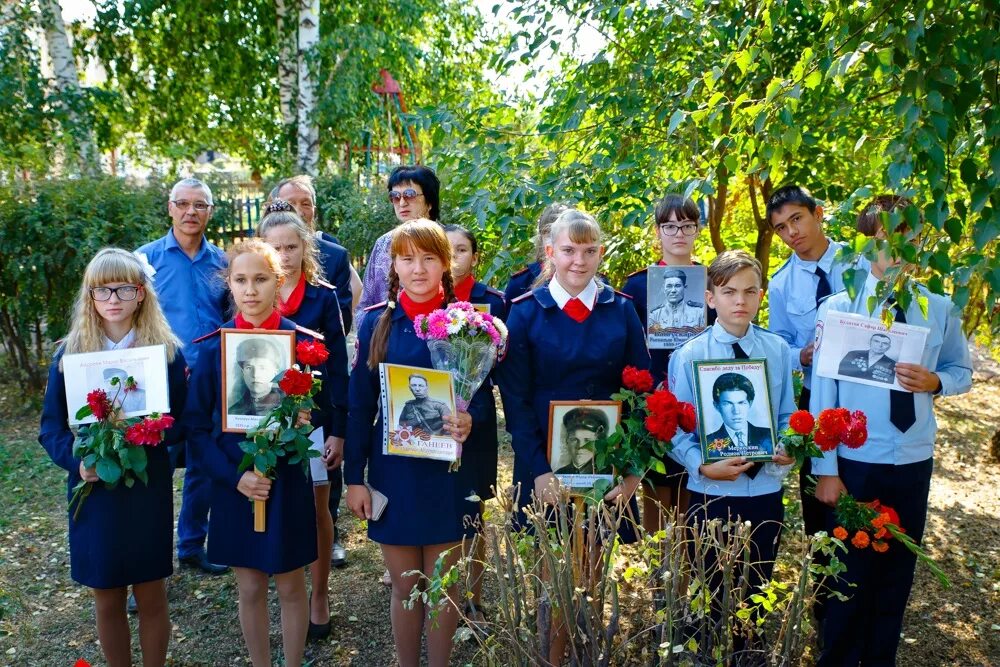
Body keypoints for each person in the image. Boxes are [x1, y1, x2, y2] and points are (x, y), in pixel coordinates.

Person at [811, 196, 972, 666]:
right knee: (848, 577)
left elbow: (961, 369)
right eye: (884, 238)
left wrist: (937, 380)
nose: (897, 249)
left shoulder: (939, 307)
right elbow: (823, 395)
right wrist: (826, 468)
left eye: (909, 236)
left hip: (913, 459)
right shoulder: (839, 308)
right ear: (865, 242)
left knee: (896, 577)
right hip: (857, 464)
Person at [497, 208, 649, 664]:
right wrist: (539, 471)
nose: (579, 261)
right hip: (546, 467)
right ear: (550, 252)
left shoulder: (621, 310)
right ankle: (553, 657)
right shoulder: (525, 313)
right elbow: (517, 404)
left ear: (600, 252)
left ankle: (585, 655)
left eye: (589, 251)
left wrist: (632, 472)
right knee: (553, 575)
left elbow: (643, 394)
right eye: (568, 250)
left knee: (593, 574)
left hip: (606, 465)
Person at [185, 238, 333, 667]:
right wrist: (237, 477)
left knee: (290, 584)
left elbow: (321, 408)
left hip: (283, 482)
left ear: (279, 282)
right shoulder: (214, 348)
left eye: (261, 279)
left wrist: (306, 417)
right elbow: (196, 429)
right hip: (234, 483)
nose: (251, 290)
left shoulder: (300, 346)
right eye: (241, 280)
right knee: (249, 586)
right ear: (228, 284)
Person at [39, 248, 187, 667]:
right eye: (102, 290)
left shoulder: (166, 353)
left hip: (146, 488)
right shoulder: (69, 356)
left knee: (151, 592)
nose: (113, 298)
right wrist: (77, 461)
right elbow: (50, 427)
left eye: (124, 287)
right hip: (95, 489)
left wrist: (154, 429)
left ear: (141, 293)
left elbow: (183, 421)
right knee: (106, 596)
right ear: (89, 297)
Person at [344, 220, 475, 667]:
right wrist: (354, 479)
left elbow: (483, 397)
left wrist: (468, 419)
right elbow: (359, 409)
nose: (418, 268)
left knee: (444, 584)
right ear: (393, 266)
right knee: (404, 586)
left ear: (445, 263)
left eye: (429, 257)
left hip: (448, 474)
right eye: (407, 258)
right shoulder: (377, 324)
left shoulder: (468, 326)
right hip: (394, 474)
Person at [667, 250, 795, 654]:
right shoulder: (689, 356)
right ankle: (703, 655)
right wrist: (702, 464)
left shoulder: (778, 350)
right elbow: (674, 430)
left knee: (757, 589)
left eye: (750, 291)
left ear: (762, 296)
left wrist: (788, 445)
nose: (740, 300)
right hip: (712, 493)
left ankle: (748, 656)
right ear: (710, 298)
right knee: (709, 590)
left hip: (765, 491)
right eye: (729, 292)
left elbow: (789, 414)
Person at [765, 183, 870, 626]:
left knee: (866, 494)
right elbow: (780, 344)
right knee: (821, 507)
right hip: (816, 400)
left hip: (869, 399)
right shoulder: (781, 282)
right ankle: (826, 611)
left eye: (797, 220)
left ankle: (867, 602)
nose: (791, 233)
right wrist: (800, 355)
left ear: (818, 213)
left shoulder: (862, 261)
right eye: (781, 228)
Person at [259, 201, 350, 638]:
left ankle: (318, 594)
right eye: (275, 247)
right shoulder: (253, 291)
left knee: (317, 506)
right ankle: (281, 590)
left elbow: (339, 367)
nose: (284, 255)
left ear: (305, 248)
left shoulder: (323, 296)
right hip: (263, 422)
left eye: (292, 246)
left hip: (313, 421)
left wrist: (338, 430)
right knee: (271, 501)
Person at [135, 177, 229, 576]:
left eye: (200, 205)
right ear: (170, 208)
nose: (192, 212)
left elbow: (229, 316)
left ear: (210, 211)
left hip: (206, 379)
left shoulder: (224, 263)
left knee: (203, 467)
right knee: (153, 466)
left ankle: (191, 544)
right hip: (160, 379)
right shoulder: (144, 260)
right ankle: (148, 560)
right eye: (183, 204)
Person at [620, 194, 715, 535]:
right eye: (670, 226)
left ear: (697, 229)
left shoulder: (712, 282)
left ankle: (689, 571)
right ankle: (661, 578)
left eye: (687, 225)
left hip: (701, 402)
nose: (679, 234)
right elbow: (627, 349)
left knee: (695, 492)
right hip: (653, 403)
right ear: (657, 231)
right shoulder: (637, 285)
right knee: (657, 496)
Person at [443, 223, 506, 629]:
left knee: (473, 514)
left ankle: (476, 599)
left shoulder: (494, 302)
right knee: (443, 513)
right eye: (445, 250)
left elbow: (502, 369)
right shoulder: (428, 298)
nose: (453, 258)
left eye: (462, 250)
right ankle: (442, 595)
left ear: (474, 256)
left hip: (477, 422)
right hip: (437, 425)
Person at [269, 175, 358, 330]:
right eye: (290, 204)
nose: (299, 211)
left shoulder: (335, 257)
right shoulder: (259, 253)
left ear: (314, 211)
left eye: (306, 204)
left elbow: (342, 322)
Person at [354, 165, 441, 323]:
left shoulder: (447, 241)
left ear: (429, 202)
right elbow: (364, 305)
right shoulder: (383, 244)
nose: (402, 203)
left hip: (439, 335)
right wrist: (374, 336)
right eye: (395, 196)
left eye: (409, 195)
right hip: (387, 338)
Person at [503, 202, 569, 303]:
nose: (556, 241)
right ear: (541, 237)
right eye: (550, 234)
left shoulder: (593, 282)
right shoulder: (520, 283)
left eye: (563, 234)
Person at [702, 372, 775, 456]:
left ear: (750, 403)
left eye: (741, 403)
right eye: (728, 404)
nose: (736, 411)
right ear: (717, 406)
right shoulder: (708, 442)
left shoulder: (769, 436)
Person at [227, 337, 284, 416]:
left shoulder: (285, 406)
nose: (255, 375)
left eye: (262, 368)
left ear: (275, 372)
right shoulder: (234, 411)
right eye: (249, 368)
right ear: (242, 372)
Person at [554, 407, 609, 475]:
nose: (580, 446)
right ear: (567, 441)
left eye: (587, 440)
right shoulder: (559, 474)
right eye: (574, 440)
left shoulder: (607, 473)